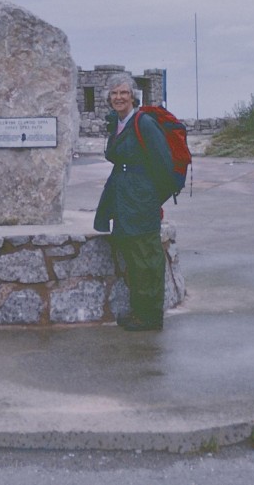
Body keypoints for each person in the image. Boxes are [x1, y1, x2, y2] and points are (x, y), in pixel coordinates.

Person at [93, 73, 175, 332]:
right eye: (114, 93)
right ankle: (140, 312)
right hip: (125, 199)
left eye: (123, 93)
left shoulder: (144, 123)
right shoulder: (118, 123)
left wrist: (150, 198)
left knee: (147, 258)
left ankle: (151, 316)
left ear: (133, 96)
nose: (118, 97)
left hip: (140, 200)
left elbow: (164, 165)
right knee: (134, 256)